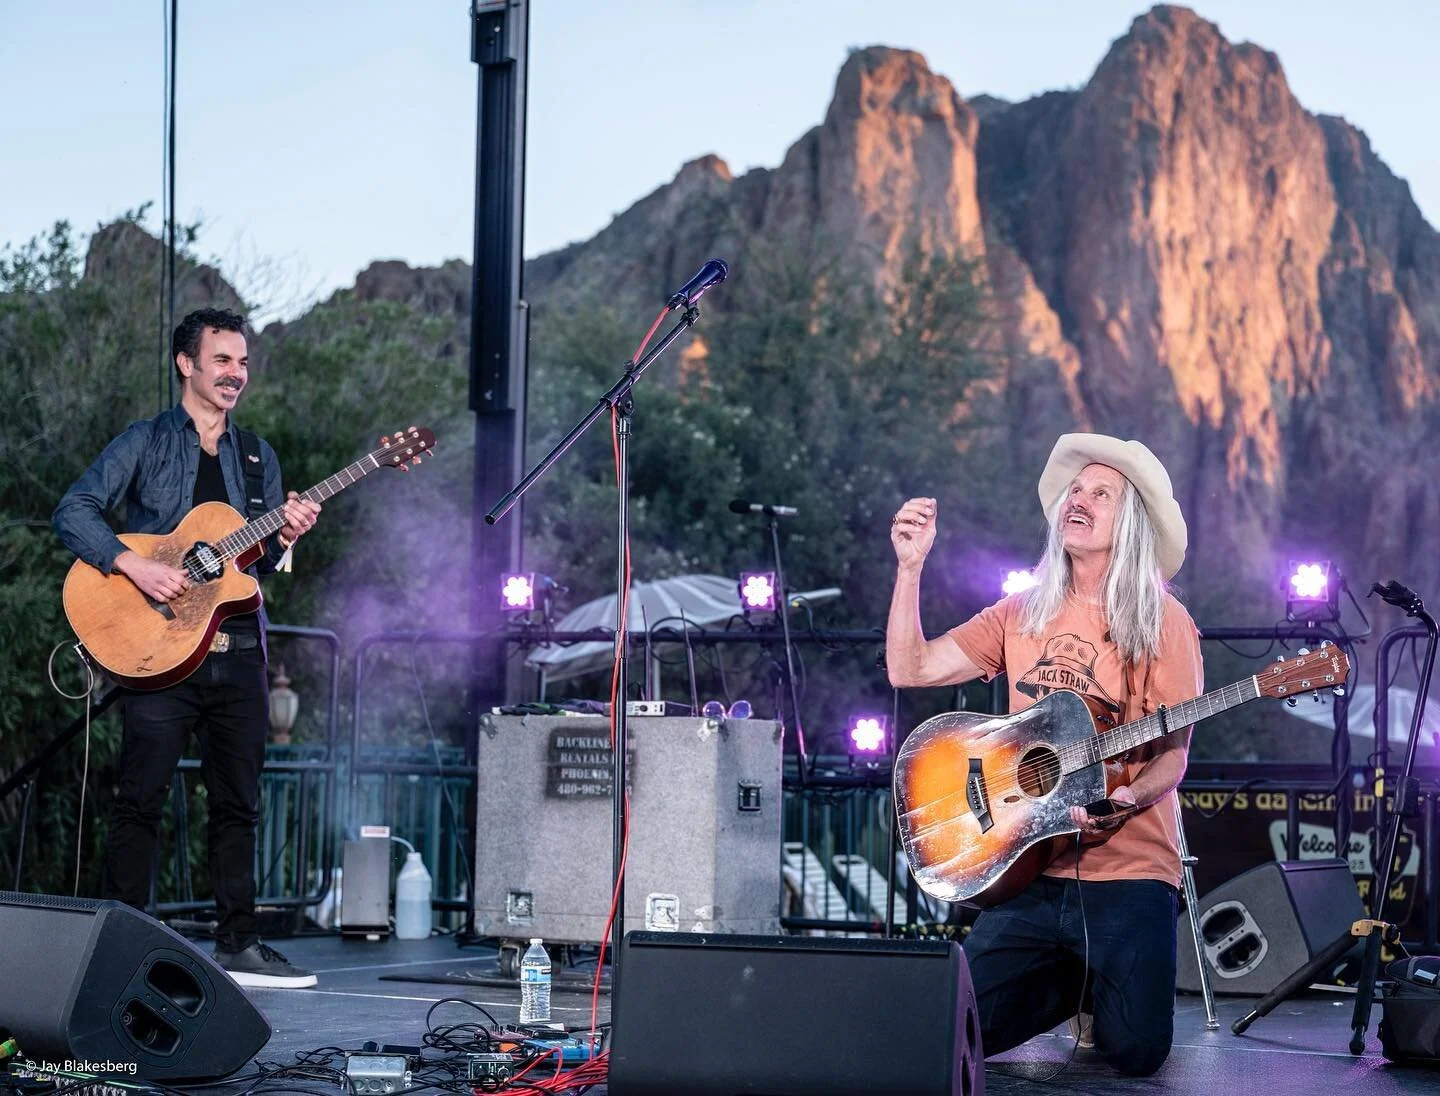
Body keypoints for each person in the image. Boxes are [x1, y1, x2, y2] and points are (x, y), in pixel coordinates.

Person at [885, 433, 1204, 1077]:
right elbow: (908, 667)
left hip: (1131, 872)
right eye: (1075, 490)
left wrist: (1128, 798)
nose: (1078, 501)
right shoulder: (1021, 611)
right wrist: (910, 567)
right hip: (1030, 864)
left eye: (1100, 494)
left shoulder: (1166, 622)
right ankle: (1070, 979)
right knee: (950, 1032)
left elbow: (1172, 760)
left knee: (1136, 1051)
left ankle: (1092, 978)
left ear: (1131, 523)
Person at [53, 307, 321, 989]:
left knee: (239, 800)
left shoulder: (258, 456)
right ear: (187, 363)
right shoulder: (145, 442)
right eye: (224, 361)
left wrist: (288, 537)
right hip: (160, 652)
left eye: (244, 363)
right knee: (138, 797)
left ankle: (240, 939)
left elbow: (255, 567)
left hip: (236, 654)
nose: (238, 374)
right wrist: (131, 564)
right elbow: (73, 510)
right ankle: (122, 936)